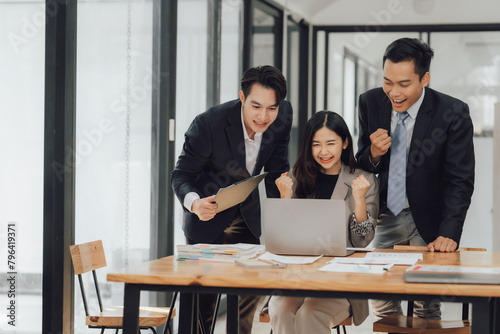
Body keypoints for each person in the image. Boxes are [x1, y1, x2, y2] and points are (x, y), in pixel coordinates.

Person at [356, 37, 475, 321]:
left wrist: (449, 232)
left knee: (426, 302)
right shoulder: (370, 102)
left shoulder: (452, 112)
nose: (393, 93)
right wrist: (373, 152)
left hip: (430, 221)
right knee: (381, 300)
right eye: (387, 82)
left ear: (425, 79)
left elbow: (460, 179)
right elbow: (361, 161)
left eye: (403, 84)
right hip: (386, 216)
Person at [171, 65, 293, 334]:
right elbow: (181, 175)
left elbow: (275, 170)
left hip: (246, 218)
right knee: (201, 309)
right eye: (255, 106)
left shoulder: (283, 116)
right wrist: (194, 203)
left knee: (246, 298)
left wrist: (283, 218)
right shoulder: (208, 124)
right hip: (206, 217)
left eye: (271, 108)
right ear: (242, 97)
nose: (263, 117)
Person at [268, 111, 379, 334]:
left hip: (340, 281)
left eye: (331, 143)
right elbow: (283, 240)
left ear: (345, 142)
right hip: (298, 278)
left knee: (309, 313)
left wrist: (359, 201)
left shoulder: (363, 181)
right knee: (281, 309)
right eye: (316, 144)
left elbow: (362, 242)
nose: (324, 152)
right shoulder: (296, 177)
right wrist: (284, 200)